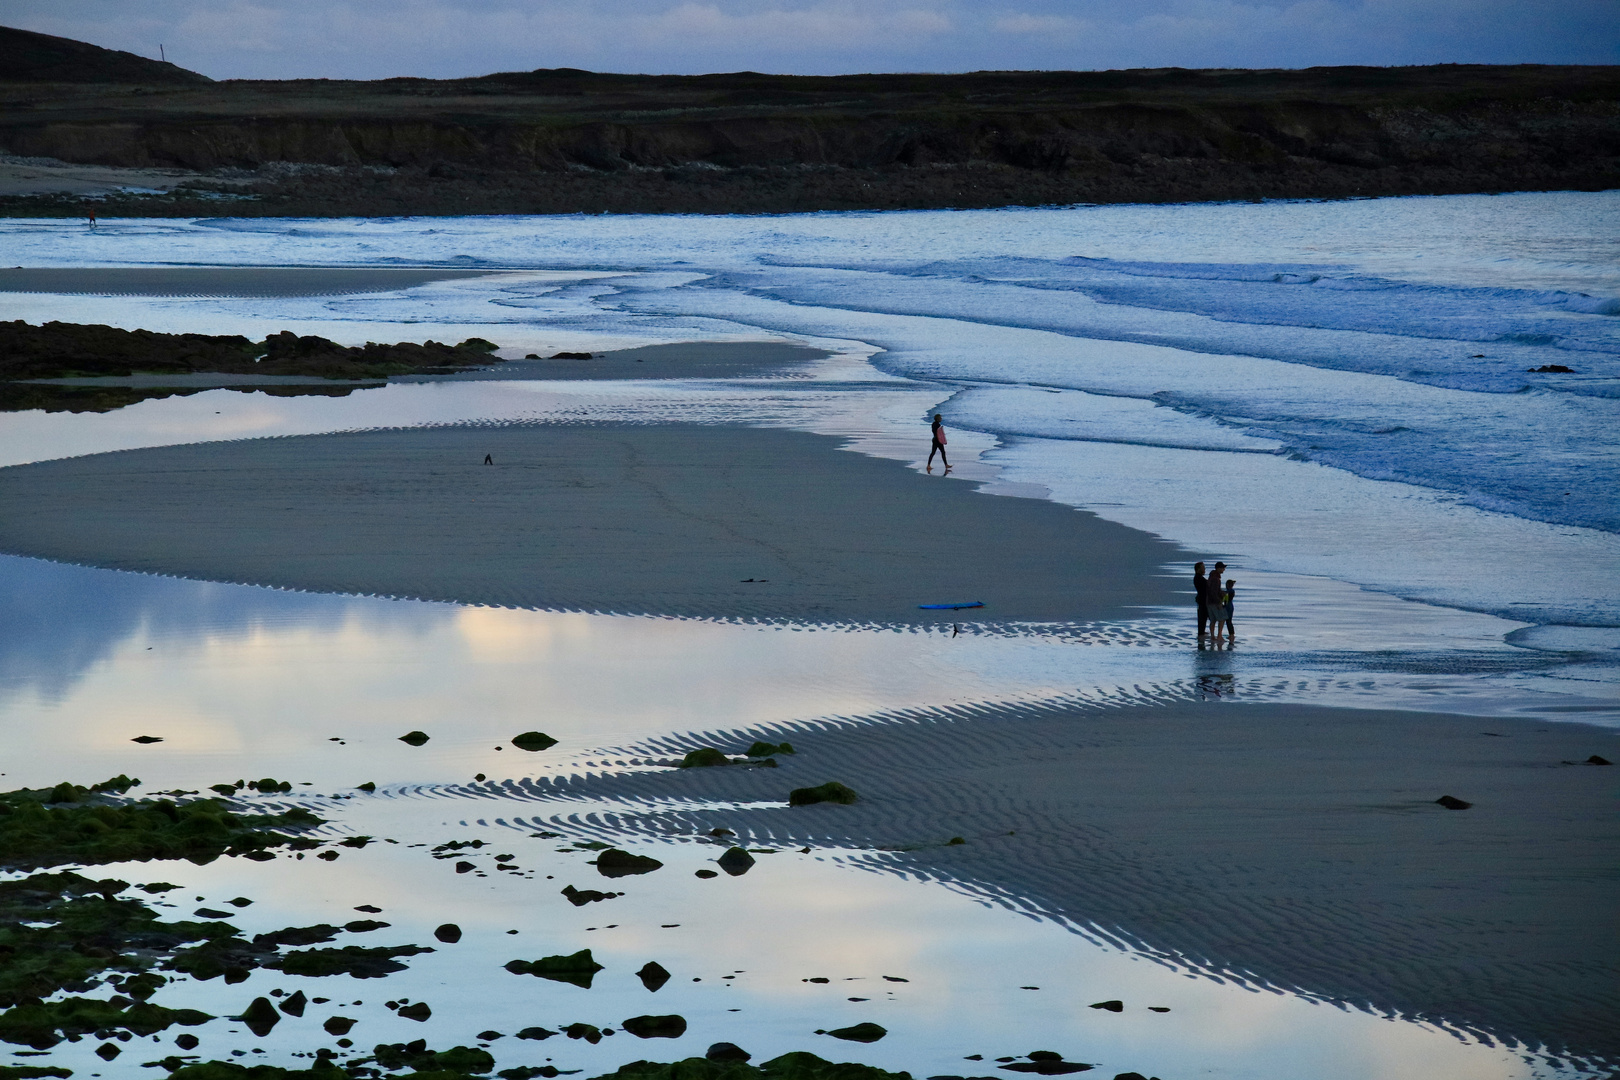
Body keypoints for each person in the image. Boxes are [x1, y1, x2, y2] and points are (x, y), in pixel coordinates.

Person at [1194, 561, 1209, 637]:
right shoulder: (1198, 578)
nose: (1204, 569)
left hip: (1201, 599)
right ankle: (1201, 633)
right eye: (1203, 567)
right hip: (1203, 600)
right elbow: (1205, 588)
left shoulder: (1199, 577)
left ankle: (1202, 631)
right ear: (1198, 569)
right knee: (1202, 617)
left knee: (1203, 617)